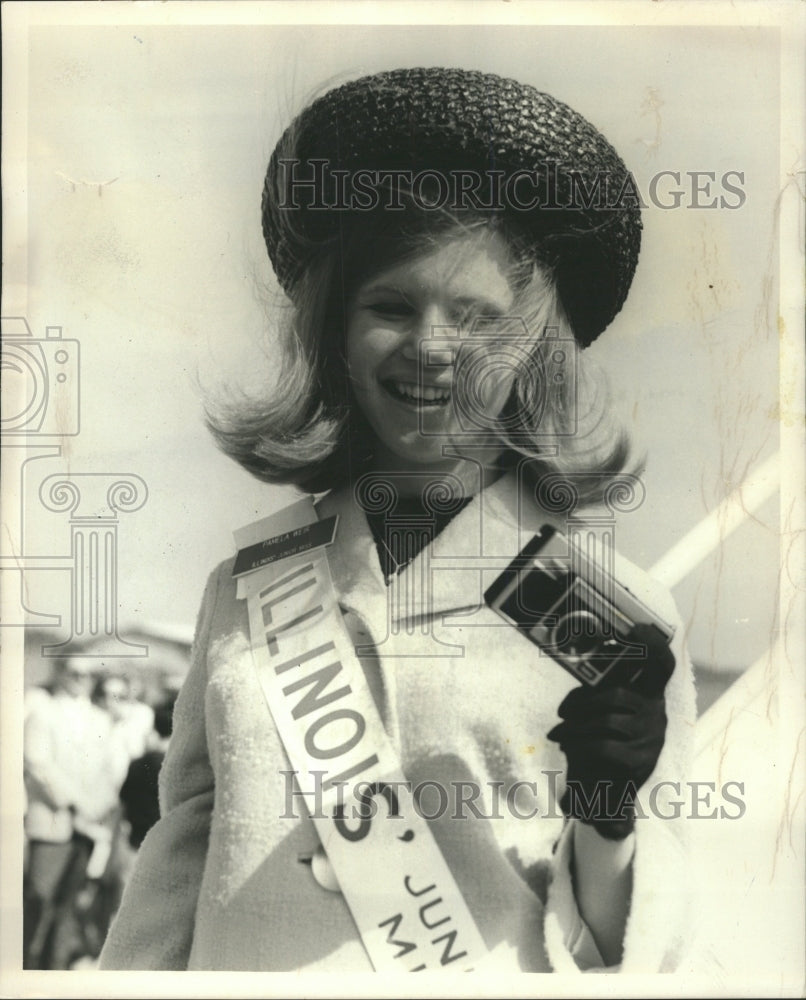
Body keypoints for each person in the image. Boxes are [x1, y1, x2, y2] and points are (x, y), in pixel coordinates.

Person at [100, 67, 695, 972]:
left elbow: (636, 954)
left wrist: (610, 821)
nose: (429, 348)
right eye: (389, 306)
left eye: (476, 319)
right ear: (334, 332)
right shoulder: (248, 585)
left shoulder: (617, 613)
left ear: (533, 350)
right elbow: (173, 876)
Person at [23, 656, 121, 969]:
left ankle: (55, 971)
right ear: (62, 672)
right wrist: (76, 803)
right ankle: (24, 970)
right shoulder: (43, 712)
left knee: (69, 907)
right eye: (75, 672)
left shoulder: (100, 719)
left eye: (89, 675)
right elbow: (37, 763)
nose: (82, 679)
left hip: (89, 825)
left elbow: (110, 770)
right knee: (39, 901)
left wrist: (95, 808)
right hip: (54, 822)